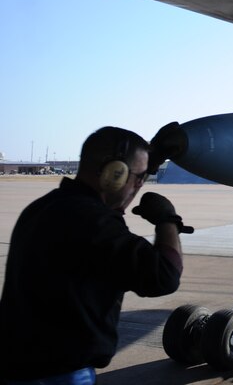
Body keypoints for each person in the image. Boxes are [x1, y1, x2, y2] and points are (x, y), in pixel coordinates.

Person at [0, 126, 190, 385]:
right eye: (137, 176)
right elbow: (164, 276)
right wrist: (168, 220)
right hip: (58, 375)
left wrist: (146, 160)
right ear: (114, 174)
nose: (139, 185)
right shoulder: (94, 223)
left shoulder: (42, 209)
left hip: (19, 367)